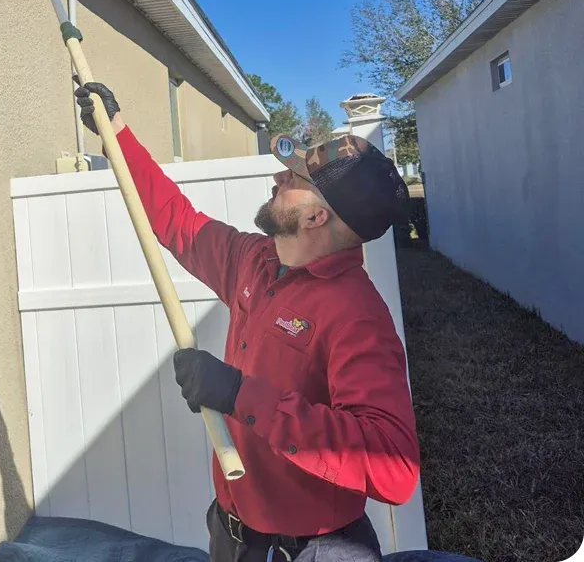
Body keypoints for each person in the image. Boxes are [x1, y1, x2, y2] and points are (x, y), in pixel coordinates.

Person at [74, 82, 420, 562]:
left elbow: (394, 467)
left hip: (316, 550)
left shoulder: (356, 316)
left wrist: (241, 395)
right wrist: (116, 133)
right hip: (235, 537)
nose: (279, 178)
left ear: (317, 216)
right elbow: (178, 220)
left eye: (294, 179)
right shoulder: (255, 260)